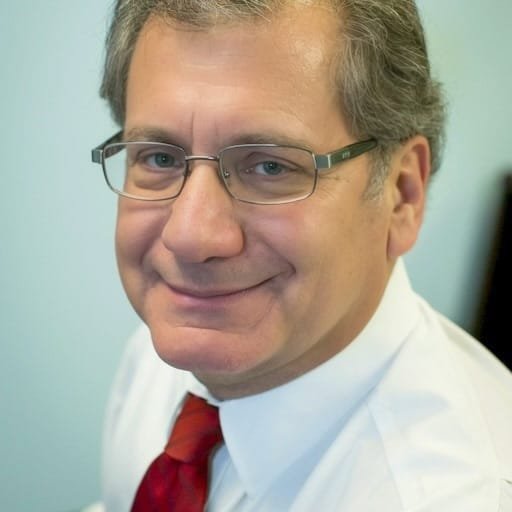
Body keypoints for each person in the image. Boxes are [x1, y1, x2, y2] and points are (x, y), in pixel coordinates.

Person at [91, 0, 512, 510]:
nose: (190, 237)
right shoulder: (168, 349)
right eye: (159, 158)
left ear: (402, 194)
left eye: (269, 167)